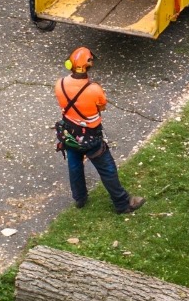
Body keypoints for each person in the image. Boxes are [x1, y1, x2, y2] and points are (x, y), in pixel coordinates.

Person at [55, 47, 145, 214]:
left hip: (69, 133)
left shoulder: (59, 84)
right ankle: (123, 203)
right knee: (107, 168)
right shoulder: (94, 89)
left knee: (74, 164)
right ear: (88, 65)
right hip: (90, 137)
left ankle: (80, 198)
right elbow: (101, 106)